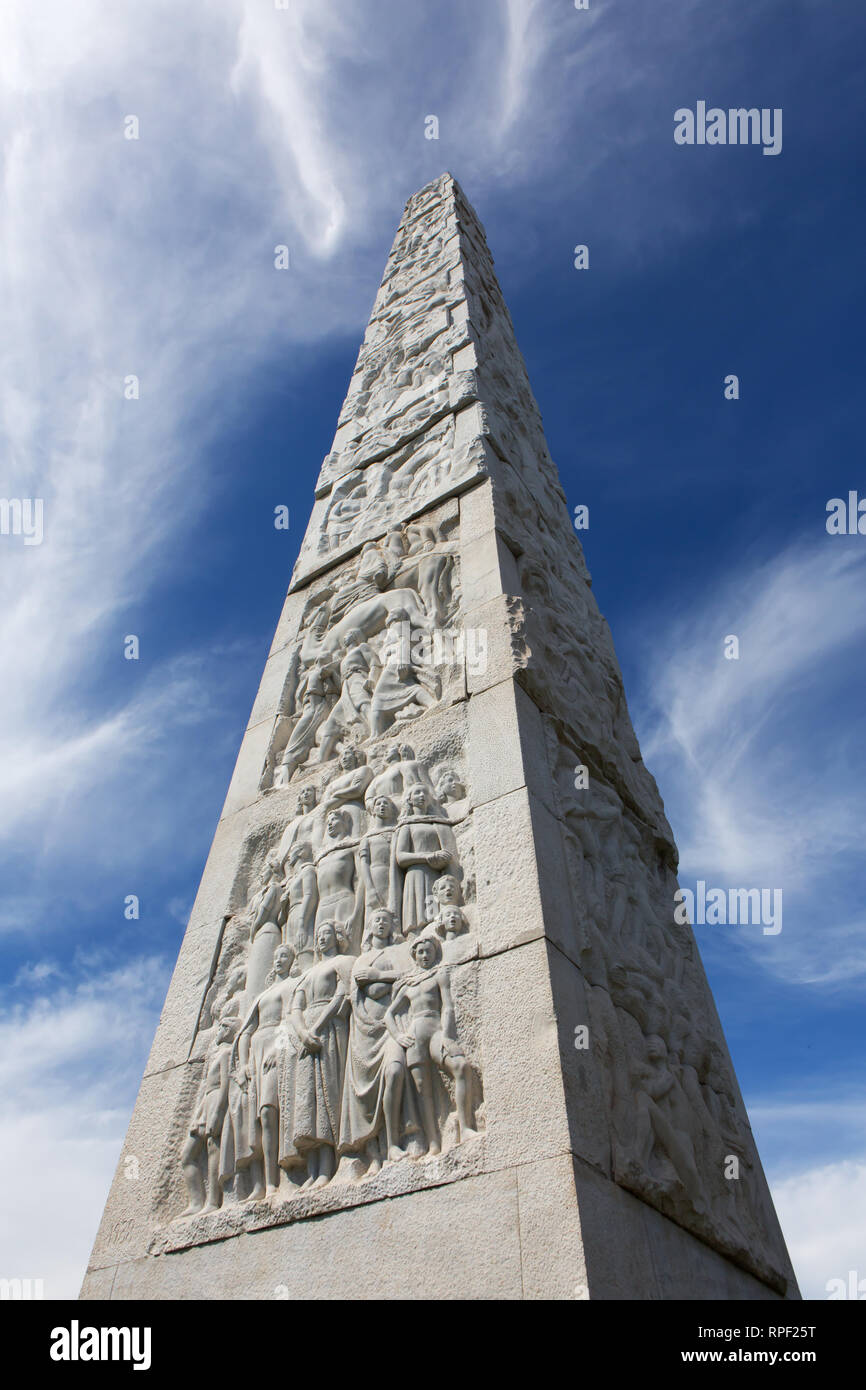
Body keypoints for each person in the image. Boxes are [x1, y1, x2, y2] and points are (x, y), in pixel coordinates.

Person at [384, 935, 477, 1154]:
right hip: (415, 1034)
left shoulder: (439, 974)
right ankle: (434, 1142)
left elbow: (448, 1006)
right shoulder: (407, 984)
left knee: (460, 1067)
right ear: (415, 956)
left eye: (429, 951)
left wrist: (446, 1035)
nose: (425, 956)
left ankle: (465, 1128)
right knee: (422, 1089)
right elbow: (389, 1014)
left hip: (435, 1029)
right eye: (421, 952)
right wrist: (398, 1036)